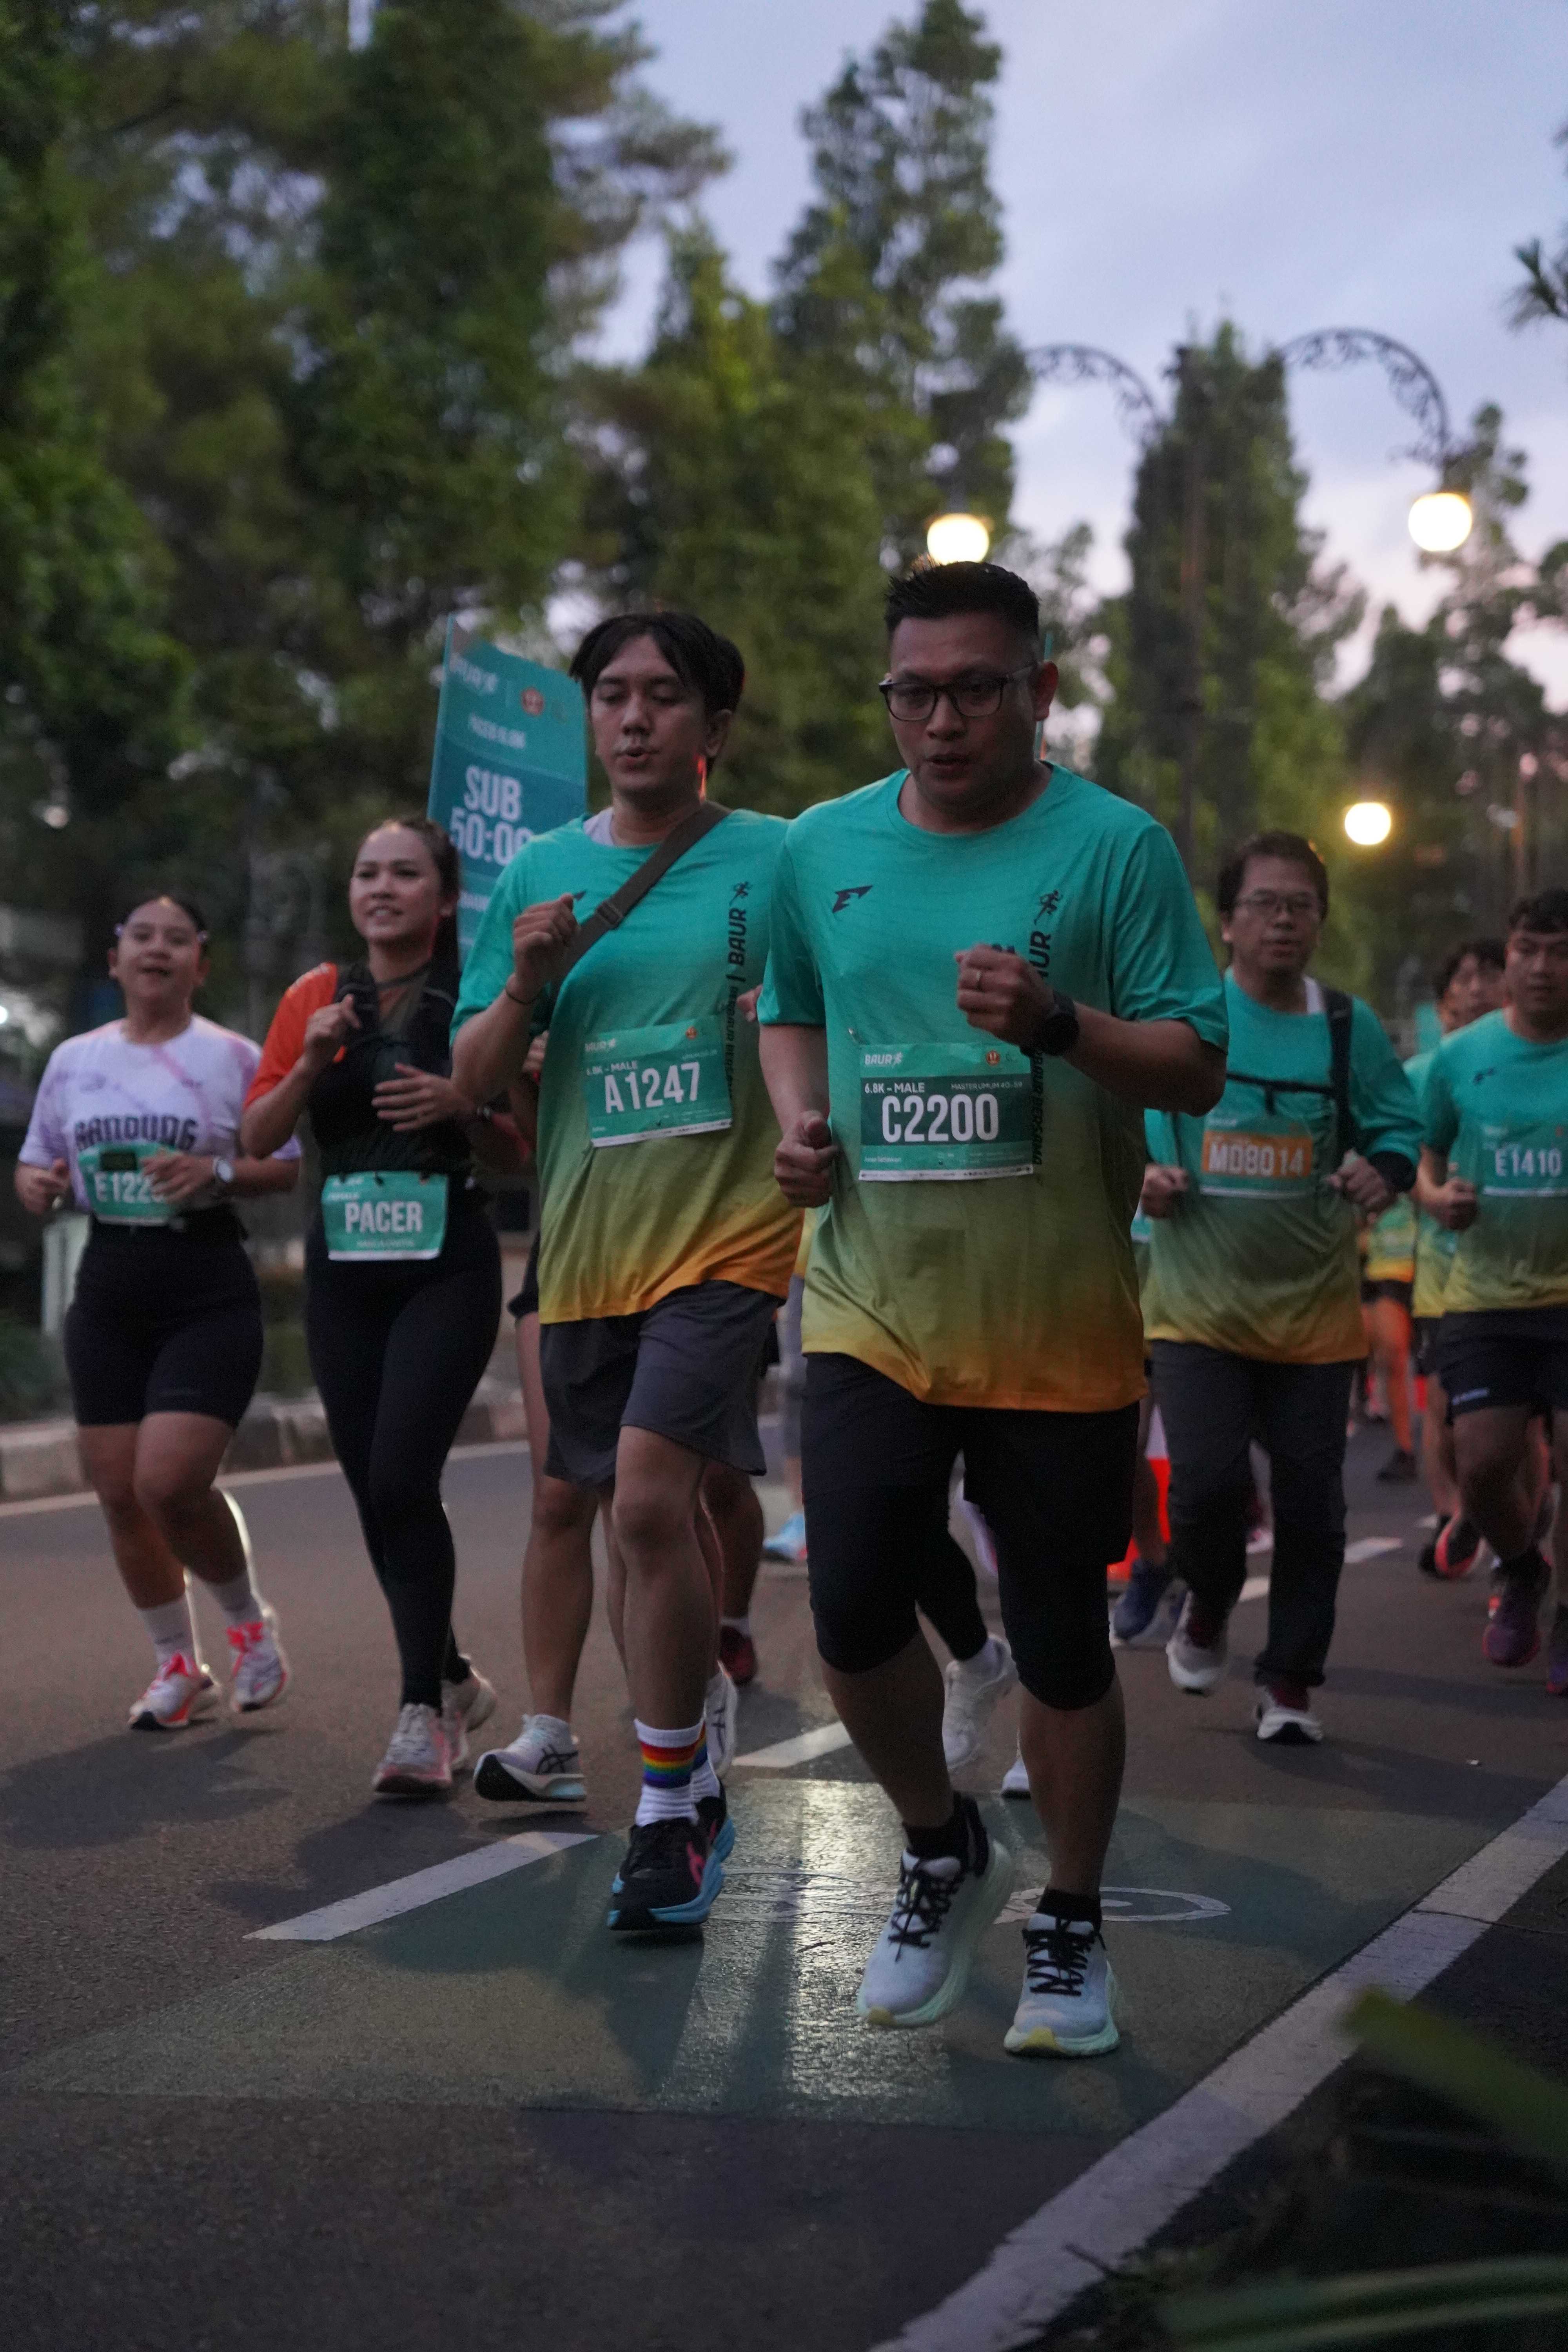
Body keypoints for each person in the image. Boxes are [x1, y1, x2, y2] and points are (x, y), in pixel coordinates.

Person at [759, 559, 1227, 2058]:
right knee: (848, 1612)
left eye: (975, 688)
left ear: (1040, 689)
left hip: (1055, 1318)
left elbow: (1197, 1060)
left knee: (1062, 1640)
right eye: (914, 692)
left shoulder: (1116, 847)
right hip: (870, 1296)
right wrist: (800, 1123)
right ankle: (939, 1843)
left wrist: (1059, 1023)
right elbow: (789, 1003)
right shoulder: (821, 844)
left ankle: (1071, 1923)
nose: (942, 720)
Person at [452, 610, 799, 1935]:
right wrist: (527, 986)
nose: (635, 717)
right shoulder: (539, 873)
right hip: (592, 1246)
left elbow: (848, 998)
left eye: (663, 695)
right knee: (629, 1516)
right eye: (612, 694)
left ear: (716, 726)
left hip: (732, 1238)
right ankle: (689, 1740)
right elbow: (471, 1081)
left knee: (649, 1503)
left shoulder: (780, 858)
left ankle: (666, 1813)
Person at [241, 818, 506, 1795]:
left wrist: (464, 1108)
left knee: (401, 1476)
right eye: (366, 873)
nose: (381, 888)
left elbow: (520, 1149)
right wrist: (312, 1060)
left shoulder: (476, 993)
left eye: (404, 874)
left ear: (445, 899)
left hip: (447, 1264)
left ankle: (421, 1712)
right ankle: (452, 1673)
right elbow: (258, 1136)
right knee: (371, 1488)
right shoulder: (314, 995)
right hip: (346, 1269)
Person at [1142, 831, 1422, 1746]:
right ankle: (1208, 1600)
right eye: (1263, 903)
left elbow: (1397, 1127)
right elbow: (1124, 1118)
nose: (1282, 921)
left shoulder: (1345, 1026)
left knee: (1311, 1506)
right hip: (1196, 1310)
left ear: (1319, 922)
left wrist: (1384, 1170)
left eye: (1300, 906)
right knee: (1205, 1490)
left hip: (1313, 1318)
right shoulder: (1185, 1020)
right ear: (1226, 923)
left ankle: (1290, 1678)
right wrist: (1146, 1174)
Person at [15, 894, 298, 1729]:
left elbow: (282, 1163)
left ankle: (250, 1627)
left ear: (198, 965)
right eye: (142, 937)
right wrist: (38, 1185)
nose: (157, 950)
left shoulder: (232, 1055)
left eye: (177, 940)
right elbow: (36, 1164)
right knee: (118, 1493)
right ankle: (178, 1664)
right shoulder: (75, 1060)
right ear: (116, 959)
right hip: (109, 1281)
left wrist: (215, 1172)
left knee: (168, 1482)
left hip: (203, 1280)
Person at [1417, 889, 1568, 1685]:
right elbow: (1424, 1153)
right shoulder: (1460, 1056)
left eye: (1559, 953)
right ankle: (1521, 1566)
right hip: (1484, 1294)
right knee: (1480, 1466)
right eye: (1526, 951)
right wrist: (1436, 1197)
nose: (1541, 967)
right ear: (1508, 956)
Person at [1405, 940, 1509, 1577]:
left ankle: (1504, 1531)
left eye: (1489, 975)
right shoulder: (1426, 1073)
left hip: (1522, 1275)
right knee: (1445, 1406)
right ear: (1445, 1001)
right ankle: (1454, 1516)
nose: (1476, 989)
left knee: (1515, 1425)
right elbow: (1407, 1159)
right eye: (1464, 979)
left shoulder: (1538, 1061)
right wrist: (1434, 1196)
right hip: (1444, 1274)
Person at [1361, 1192, 1417, 1479]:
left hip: (1421, 1268)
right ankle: (1404, 1449)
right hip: (1380, 1273)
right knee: (1390, 1360)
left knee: (1399, 1361)